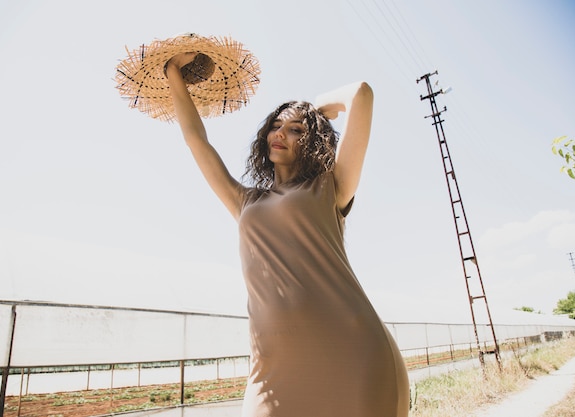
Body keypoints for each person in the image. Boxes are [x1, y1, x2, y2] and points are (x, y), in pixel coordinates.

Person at [164, 53, 409, 417]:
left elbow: (361, 94)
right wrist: (172, 74)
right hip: (271, 373)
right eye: (276, 125)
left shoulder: (331, 187)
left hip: (353, 355)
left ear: (312, 142)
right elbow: (196, 139)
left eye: (296, 129)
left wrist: (316, 108)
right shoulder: (244, 199)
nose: (280, 133)